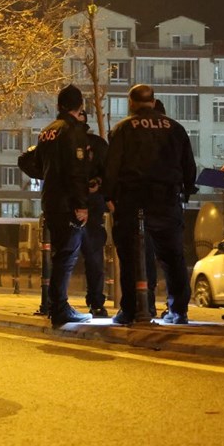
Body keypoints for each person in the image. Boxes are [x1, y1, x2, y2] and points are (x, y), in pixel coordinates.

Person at [103, 84, 197, 325]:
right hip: (168, 200)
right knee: (174, 257)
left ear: (131, 103)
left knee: (133, 256)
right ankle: (179, 310)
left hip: (133, 201)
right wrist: (186, 190)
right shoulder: (175, 128)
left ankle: (134, 309)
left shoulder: (123, 129)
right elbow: (189, 165)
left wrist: (108, 198)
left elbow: (111, 168)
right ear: (153, 102)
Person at [37, 84, 92, 328]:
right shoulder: (73, 131)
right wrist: (82, 205)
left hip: (50, 199)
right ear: (79, 106)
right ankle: (59, 308)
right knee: (66, 256)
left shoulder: (47, 131)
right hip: (67, 203)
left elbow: (36, 165)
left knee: (60, 254)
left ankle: (56, 305)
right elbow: (76, 171)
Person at [79, 114, 110, 318]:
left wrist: (98, 183)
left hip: (87, 207)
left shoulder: (96, 145)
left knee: (91, 259)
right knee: (91, 259)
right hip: (86, 206)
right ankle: (96, 302)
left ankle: (95, 300)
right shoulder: (63, 139)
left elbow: (108, 172)